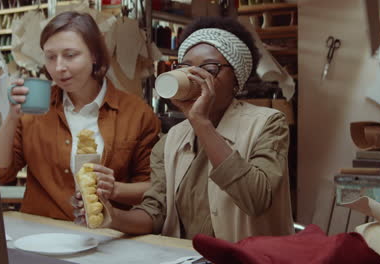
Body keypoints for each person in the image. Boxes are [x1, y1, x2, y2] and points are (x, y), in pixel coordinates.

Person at [74, 16, 294, 242]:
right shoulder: (171, 141)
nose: (195, 77)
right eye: (186, 68)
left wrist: (201, 122)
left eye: (210, 68)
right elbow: (155, 213)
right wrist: (111, 216)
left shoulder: (268, 124)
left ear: (237, 80)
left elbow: (256, 198)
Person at [0, 11, 160, 221]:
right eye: (50, 57)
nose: (59, 67)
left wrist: (115, 189)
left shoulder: (136, 113)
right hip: (44, 235)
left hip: (107, 238)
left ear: (94, 55)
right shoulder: (34, 112)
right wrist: (11, 117)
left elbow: (152, 190)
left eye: (70, 55)